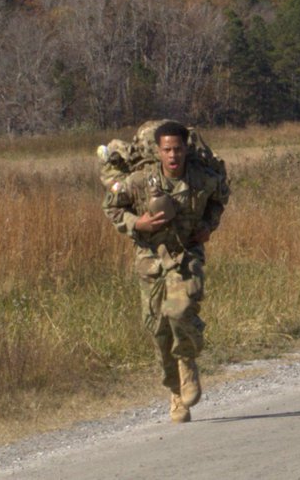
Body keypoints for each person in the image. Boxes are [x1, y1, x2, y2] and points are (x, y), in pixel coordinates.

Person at [102, 121, 230, 423]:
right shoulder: (138, 181)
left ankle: (187, 361)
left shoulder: (202, 179)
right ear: (158, 152)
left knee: (180, 309)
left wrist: (208, 226)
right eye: (167, 150)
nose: (173, 155)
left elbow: (220, 199)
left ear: (186, 149)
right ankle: (175, 393)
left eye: (178, 149)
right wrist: (137, 224)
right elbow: (112, 207)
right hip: (150, 259)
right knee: (158, 330)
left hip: (186, 254)